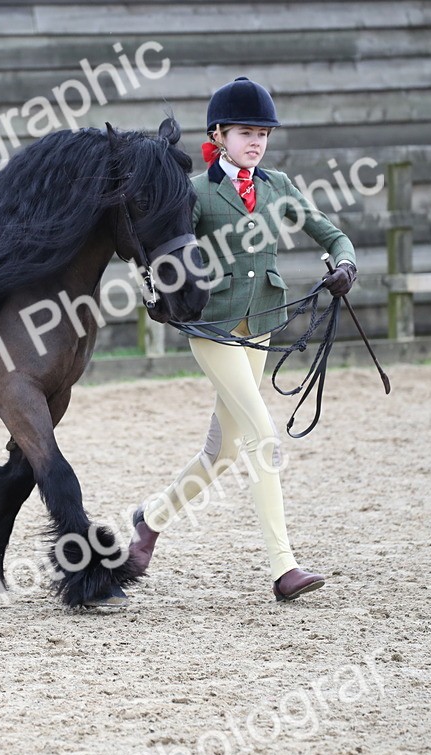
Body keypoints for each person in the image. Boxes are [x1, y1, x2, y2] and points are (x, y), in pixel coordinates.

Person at [130, 76, 357, 601]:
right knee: (262, 436)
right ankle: (284, 566)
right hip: (213, 328)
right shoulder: (199, 193)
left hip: (260, 326)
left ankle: (152, 518)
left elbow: (330, 233)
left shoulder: (278, 186)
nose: (256, 141)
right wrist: (158, 292)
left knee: (224, 450)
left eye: (263, 133)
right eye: (245, 132)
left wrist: (344, 263)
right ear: (220, 134)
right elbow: (164, 251)